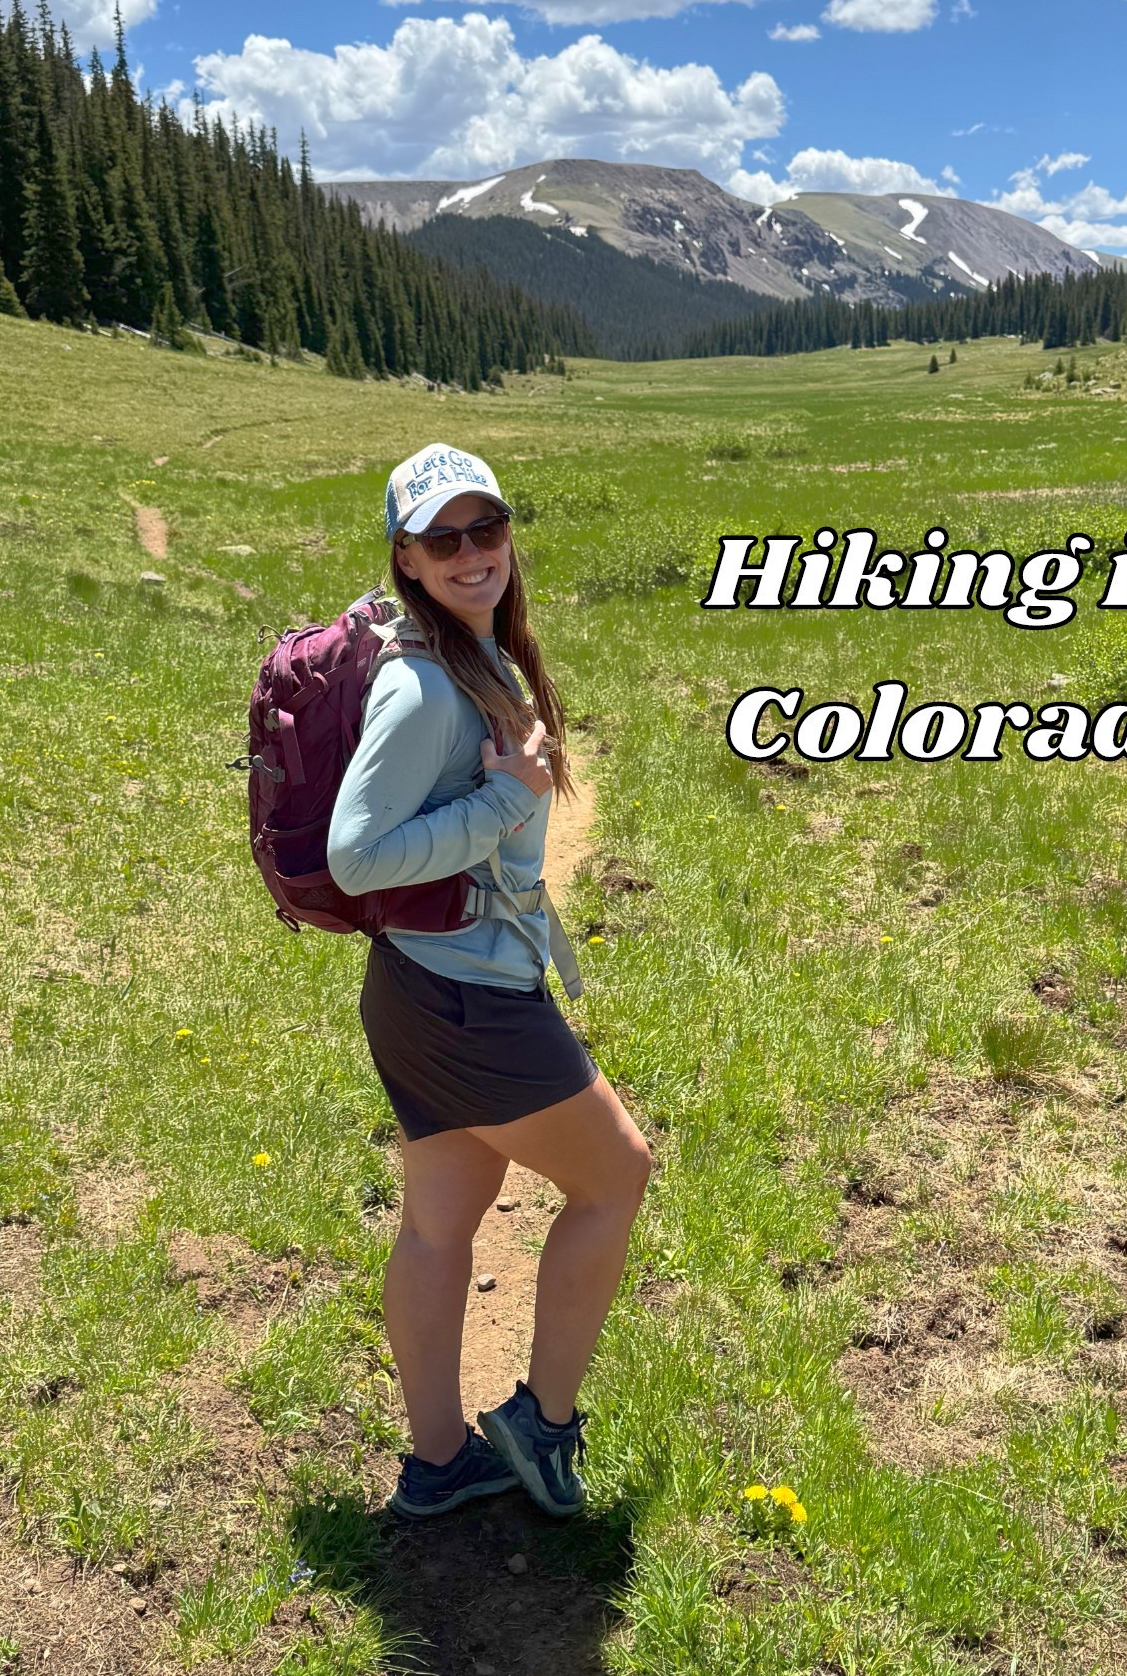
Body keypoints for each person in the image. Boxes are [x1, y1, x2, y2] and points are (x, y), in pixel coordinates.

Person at [326, 442, 652, 1521]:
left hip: (423, 989)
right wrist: (505, 804)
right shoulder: (424, 685)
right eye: (444, 538)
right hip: (467, 999)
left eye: (488, 527)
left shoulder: (466, 654)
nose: (474, 553)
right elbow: (356, 855)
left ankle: (436, 1464)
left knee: (437, 1227)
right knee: (616, 1175)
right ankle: (541, 1426)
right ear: (406, 560)